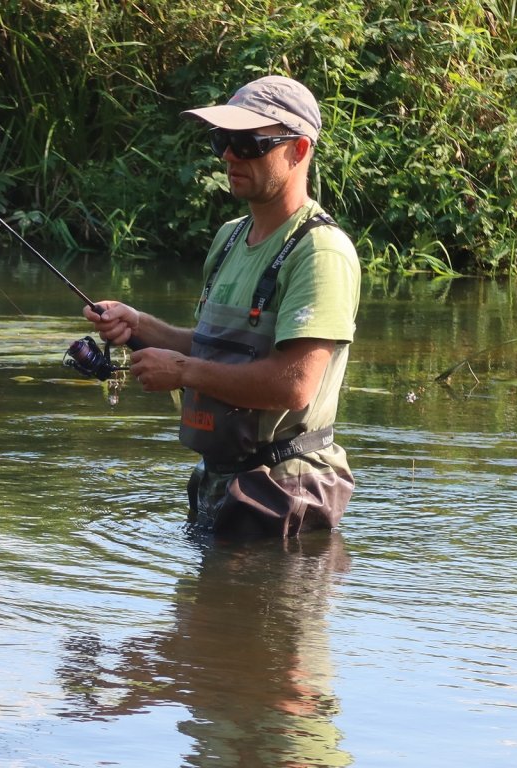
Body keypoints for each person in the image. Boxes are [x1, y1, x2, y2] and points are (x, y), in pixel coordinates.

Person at [83, 75, 361, 539]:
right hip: (223, 481)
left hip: (286, 489)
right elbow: (219, 349)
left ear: (298, 149)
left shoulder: (320, 252)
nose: (230, 155)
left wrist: (184, 372)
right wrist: (140, 325)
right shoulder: (229, 237)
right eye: (222, 140)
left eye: (249, 143)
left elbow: (294, 385)